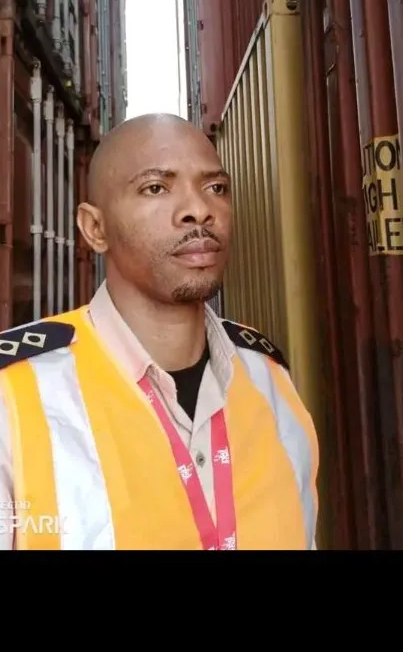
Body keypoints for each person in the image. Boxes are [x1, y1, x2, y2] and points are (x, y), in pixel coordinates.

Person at [0, 113, 319, 550]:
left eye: (216, 188)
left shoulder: (270, 378)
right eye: (156, 187)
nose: (199, 210)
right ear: (95, 229)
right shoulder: (15, 396)